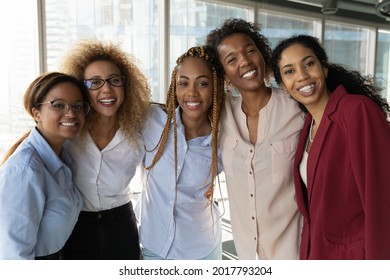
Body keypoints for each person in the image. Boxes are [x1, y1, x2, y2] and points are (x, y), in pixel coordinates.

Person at [271, 34, 390, 259]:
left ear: (324, 69)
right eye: (289, 71)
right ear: (284, 87)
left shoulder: (356, 111)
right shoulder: (307, 127)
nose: (302, 76)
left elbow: (382, 200)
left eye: (309, 64)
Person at [206, 18, 305, 260]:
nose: (245, 61)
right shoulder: (220, 112)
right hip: (247, 256)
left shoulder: (297, 107)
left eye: (250, 51)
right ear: (224, 74)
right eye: (232, 60)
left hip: (294, 253)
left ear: (263, 55)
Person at [58, 39, 151, 260]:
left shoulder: (140, 131)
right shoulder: (68, 132)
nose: (106, 89)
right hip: (75, 227)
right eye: (95, 82)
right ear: (81, 88)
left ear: (125, 85)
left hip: (122, 226)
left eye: (114, 80)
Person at [135, 46, 225, 260]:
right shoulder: (151, 120)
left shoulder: (223, 139)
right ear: (174, 87)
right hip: (153, 245)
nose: (192, 93)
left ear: (216, 88)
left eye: (202, 84)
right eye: (183, 83)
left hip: (201, 249)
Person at [0, 72, 90, 259]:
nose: (71, 113)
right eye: (58, 105)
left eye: (78, 106)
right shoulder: (25, 170)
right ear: (36, 113)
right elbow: (13, 256)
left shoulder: (64, 157)